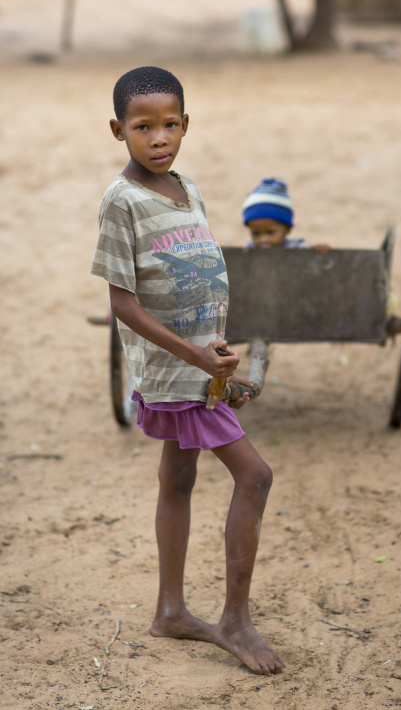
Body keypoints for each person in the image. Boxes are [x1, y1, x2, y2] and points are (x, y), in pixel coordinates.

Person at [90, 66, 285, 677]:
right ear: (118, 130)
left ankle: (170, 611)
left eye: (170, 124)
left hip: (202, 367)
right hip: (175, 371)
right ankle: (234, 620)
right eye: (143, 127)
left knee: (177, 478)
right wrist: (195, 357)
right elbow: (123, 304)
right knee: (254, 477)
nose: (159, 138)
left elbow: (199, 279)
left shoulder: (188, 189)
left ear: (186, 125)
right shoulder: (121, 202)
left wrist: (220, 364)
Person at [242, 177, 330, 252]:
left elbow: (309, 262)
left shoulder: (297, 248)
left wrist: (316, 251)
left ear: (287, 229)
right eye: (256, 234)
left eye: (271, 232)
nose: (263, 239)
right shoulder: (250, 250)